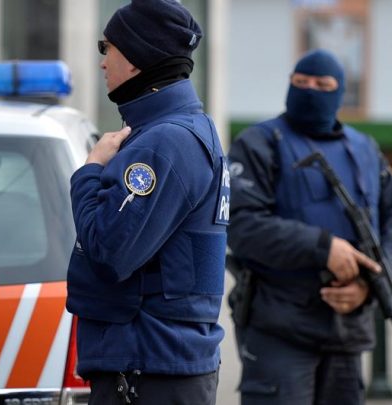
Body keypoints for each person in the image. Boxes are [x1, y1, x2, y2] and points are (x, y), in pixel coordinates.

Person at [227, 49, 392, 405]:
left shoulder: (364, 149)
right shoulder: (258, 143)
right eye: (301, 82)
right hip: (279, 329)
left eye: (322, 84)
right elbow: (241, 224)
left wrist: (369, 282)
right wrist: (323, 247)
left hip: (346, 333)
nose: (310, 90)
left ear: (340, 92)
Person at [65, 1, 229, 403]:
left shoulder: (164, 142)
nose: (102, 62)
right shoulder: (185, 130)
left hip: (148, 368)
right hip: (162, 366)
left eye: (107, 48)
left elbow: (108, 251)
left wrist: (89, 172)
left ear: (137, 59)